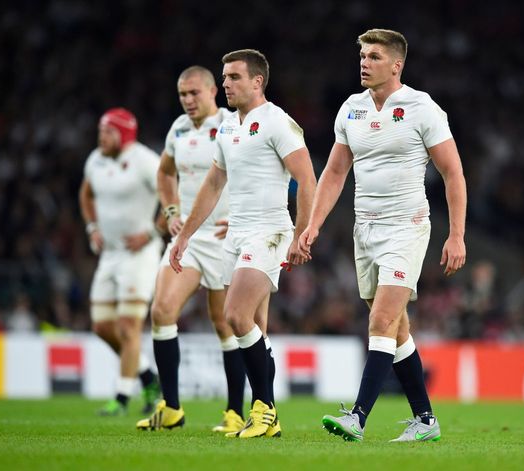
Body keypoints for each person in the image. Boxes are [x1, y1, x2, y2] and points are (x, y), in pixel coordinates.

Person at [299, 29, 467, 443]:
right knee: (396, 329)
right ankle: (426, 420)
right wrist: (314, 224)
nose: (363, 62)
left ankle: (357, 416)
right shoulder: (351, 110)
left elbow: (453, 172)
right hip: (365, 228)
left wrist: (457, 235)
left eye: (373, 56)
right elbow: (335, 172)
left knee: (380, 319)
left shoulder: (421, 108)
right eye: (362, 55)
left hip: (406, 227)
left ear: (396, 65)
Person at [169, 49, 317, 438]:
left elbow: (307, 178)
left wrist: (303, 233)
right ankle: (265, 416)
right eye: (224, 77)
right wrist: (184, 235)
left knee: (235, 315)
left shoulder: (277, 122)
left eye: (234, 77)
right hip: (235, 233)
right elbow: (214, 184)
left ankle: (265, 408)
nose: (226, 84)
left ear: (257, 81)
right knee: (255, 330)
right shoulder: (229, 128)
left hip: (268, 231)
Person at [135, 66, 246, 434]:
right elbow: (165, 173)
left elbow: (259, 171)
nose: (188, 100)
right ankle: (171, 407)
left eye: (194, 93)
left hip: (224, 237)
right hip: (189, 240)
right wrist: (170, 211)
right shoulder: (178, 129)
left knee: (226, 324)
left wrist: (246, 217)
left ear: (214, 89)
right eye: (182, 94)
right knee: (162, 310)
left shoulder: (233, 124)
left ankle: (233, 410)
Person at [79, 108, 162, 416]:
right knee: (102, 327)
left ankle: (122, 398)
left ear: (124, 134)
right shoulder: (95, 160)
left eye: (108, 132)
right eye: (101, 131)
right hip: (110, 254)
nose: (102, 137)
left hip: (140, 255)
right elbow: (85, 194)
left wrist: (152, 231)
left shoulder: (145, 161)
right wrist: (92, 227)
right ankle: (148, 376)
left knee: (128, 327)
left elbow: (171, 196)